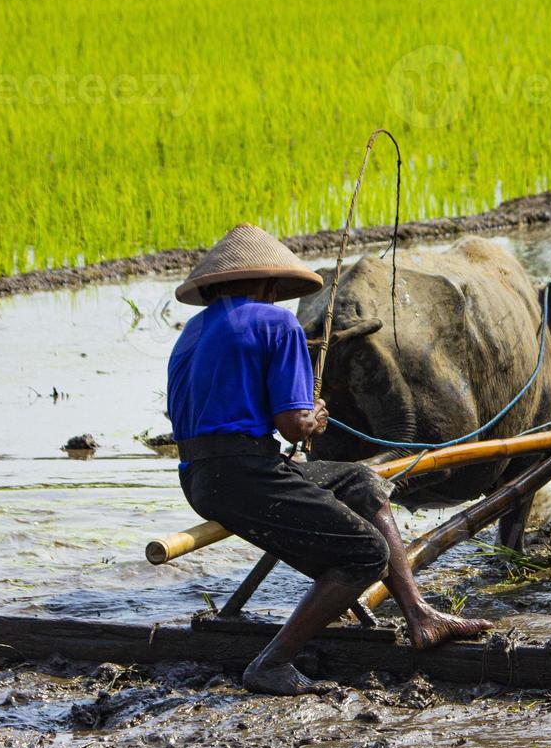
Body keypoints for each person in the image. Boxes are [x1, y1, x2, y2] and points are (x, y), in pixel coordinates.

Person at [167, 223, 491, 695]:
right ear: (271, 285)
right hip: (246, 474)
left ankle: (420, 614)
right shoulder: (277, 324)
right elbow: (293, 426)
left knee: (362, 483)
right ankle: (272, 663)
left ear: (215, 287)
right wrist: (314, 418)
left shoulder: (192, 332)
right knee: (365, 554)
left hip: (201, 477)